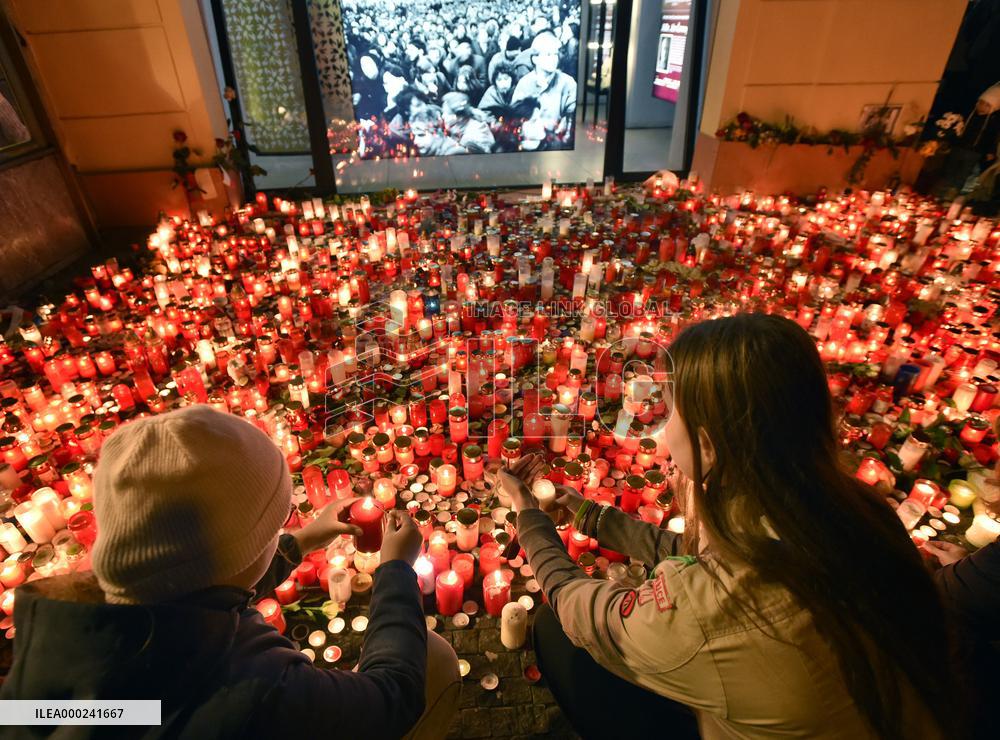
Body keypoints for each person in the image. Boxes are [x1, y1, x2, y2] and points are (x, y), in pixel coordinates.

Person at [500, 314, 958, 739]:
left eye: (671, 411)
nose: (663, 425)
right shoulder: (848, 507)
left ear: (708, 444)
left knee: (555, 633)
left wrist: (529, 519)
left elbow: (589, 614)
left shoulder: (716, 606)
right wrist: (590, 516)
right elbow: (709, 552)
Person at [1, 406, 460, 739]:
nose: (279, 531)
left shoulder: (65, 636)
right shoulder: (254, 689)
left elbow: (201, 578)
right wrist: (395, 569)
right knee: (432, 659)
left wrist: (299, 542)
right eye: (273, 527)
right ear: (238, 551)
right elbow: (392, 698)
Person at [510, 31, 576, 146]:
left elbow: (572, 116)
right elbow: (516, 117)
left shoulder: (568, 82)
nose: (554, 59)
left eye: (555, 54)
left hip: (557, 143)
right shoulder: (525, 83)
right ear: (535, 59)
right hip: (529, 141)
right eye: (548, 54)